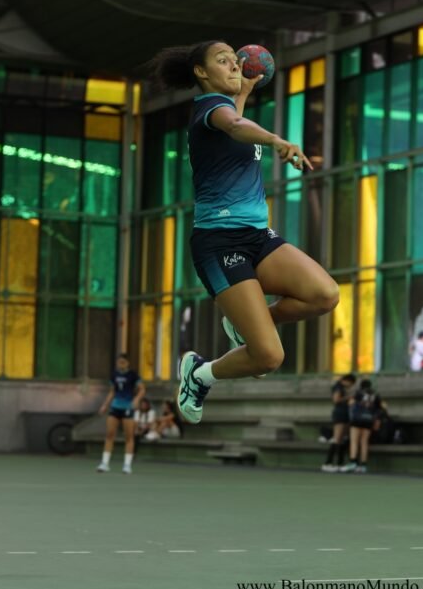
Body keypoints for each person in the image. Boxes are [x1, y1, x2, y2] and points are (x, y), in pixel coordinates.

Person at [150, 41, 338, 425]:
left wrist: (244, 91)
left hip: (257, 236)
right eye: (224, 62)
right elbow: (234, 124)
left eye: (236, 61)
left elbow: (234, 120)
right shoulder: (208, 109)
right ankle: (200, 374)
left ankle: (246, 321)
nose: (235, 66)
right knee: (268, 357)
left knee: (325, 295)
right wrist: (276, 140)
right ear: (201, 73)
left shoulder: (226, 108)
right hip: (219, 244)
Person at [96, 354, 146, 474]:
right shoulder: (114, 375)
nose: (121, 364)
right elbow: (112, 392)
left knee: (129, 436)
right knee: (110, 434)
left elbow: (142, 389)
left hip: (128, 407)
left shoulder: (133, 375)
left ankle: (127, 465)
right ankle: (105, 463)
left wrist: (136, 400)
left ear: (127, 363)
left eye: (123, 362)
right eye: (119, 362)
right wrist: (105, 405)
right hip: (115, 407)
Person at [322, 373, 356, 472]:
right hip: (340, 414)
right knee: (337, 439)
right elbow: (336, 400)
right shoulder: (338, 387)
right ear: (347, 381)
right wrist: (348, 397)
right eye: (351, 384)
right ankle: (328, 463)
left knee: (341, 439)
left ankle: (339, 463)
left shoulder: (341, 387)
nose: (350, 386)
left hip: (344, 414)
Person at [341, 379, 375, 473]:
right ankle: (363, 465)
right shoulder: (374, 395)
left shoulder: (358, 393)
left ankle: (353, 462)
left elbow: (351, 403)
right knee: (364, 442)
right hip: (368, 419)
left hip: (357, 419)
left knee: (354, 441)